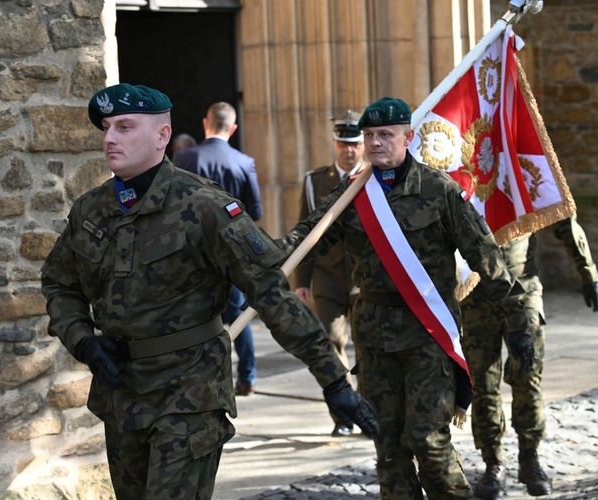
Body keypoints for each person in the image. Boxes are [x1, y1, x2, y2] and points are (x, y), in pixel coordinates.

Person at [40, 83, 379, 500]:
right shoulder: (91, 209)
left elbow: (272, 295)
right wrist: (82, 341)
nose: (110, 137)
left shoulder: (205, 208)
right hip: (121, 396)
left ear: (162, 135)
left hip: (189, 396)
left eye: (125, 127)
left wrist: (334, 381)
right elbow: (60, 282)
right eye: (107, 127)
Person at [278, 96, 535, 499]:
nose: (375, 143)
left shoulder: (438, 190)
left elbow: (484, 256)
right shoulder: (351, 194)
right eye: (368, 135)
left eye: (385, 134)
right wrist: (256, 255)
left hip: (426, 333)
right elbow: (305, 238)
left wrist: (518, 320)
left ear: (408, 137)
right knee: (388, 447)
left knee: (428, 442)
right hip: (375, 337)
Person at [461, 215, 598, 499]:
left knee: (527, 374)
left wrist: (589, 272)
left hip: (523, 287)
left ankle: (530, 458)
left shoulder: (523, 171)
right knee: (482, 382)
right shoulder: (461, 171)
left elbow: (561, 215)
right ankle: (494, 462)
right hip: (477, 294)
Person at [174, 101, 263, 396]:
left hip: (193, 254)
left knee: (196, 317)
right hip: (233, 252)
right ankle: (247, 376)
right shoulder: (244, 162)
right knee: (239, 315)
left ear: (205, 123)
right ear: (233, 128)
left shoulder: (184, 158)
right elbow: (255, 213)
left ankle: (201, 376)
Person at [295, 109, 369, 436]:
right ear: (334, 142)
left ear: (363, 145)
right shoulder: (314, 182)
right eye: (342, 143)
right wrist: (302, 280)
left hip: (365, 277)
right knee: (331, 345)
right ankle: (343, 415)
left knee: (367, 346)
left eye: (353, 143)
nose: (348, 150)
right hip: (326, 278)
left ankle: (368, 410)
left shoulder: (373, 178)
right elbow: (305, 232)